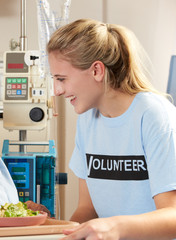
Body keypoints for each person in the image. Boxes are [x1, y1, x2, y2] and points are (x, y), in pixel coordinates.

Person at [47, 19, 176, 239]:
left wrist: (115, 227)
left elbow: (172, 215)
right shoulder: (88, 119)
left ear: (97, 70)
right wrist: (47, 225)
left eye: (61, 79)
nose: (57, 91)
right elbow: (87, 210)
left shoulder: (153, 114)